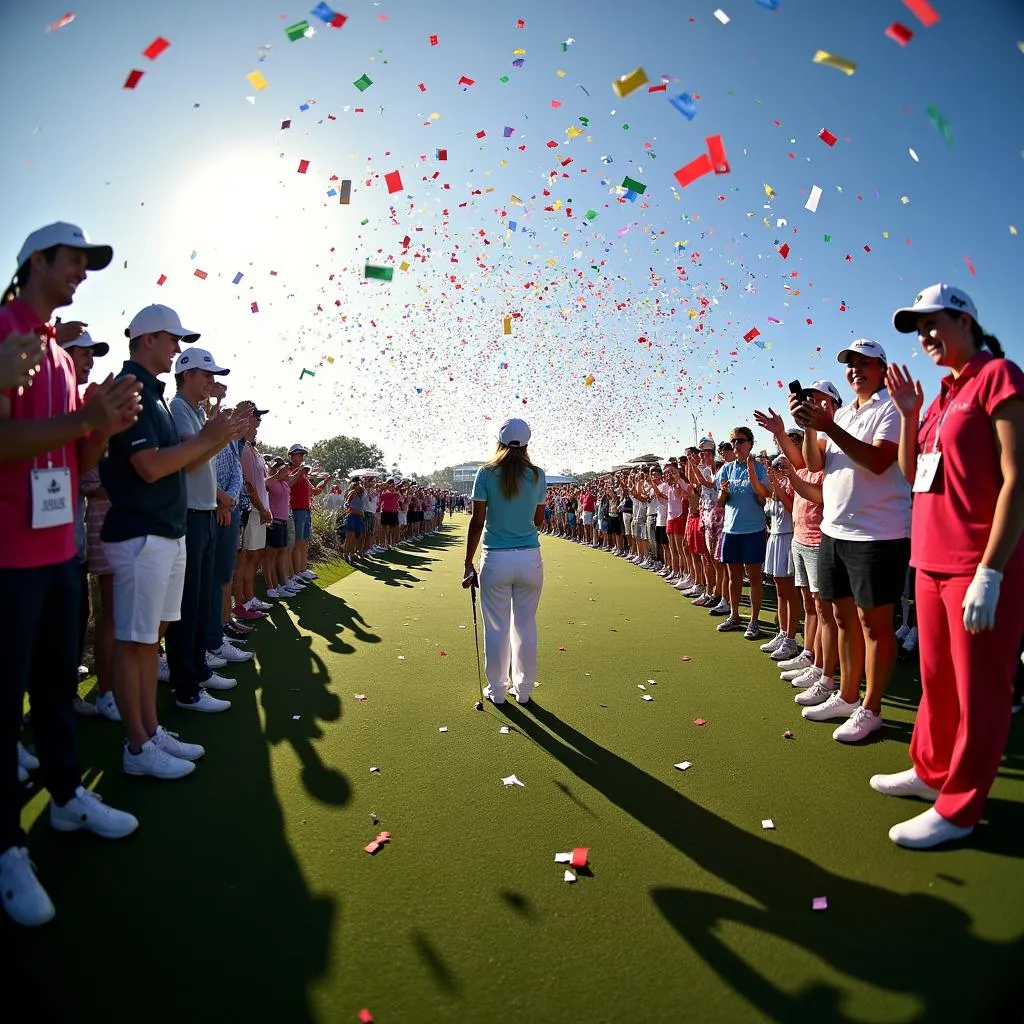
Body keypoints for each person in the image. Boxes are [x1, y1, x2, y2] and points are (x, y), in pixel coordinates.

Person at [1, 221, 143, 927]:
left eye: (88, 263)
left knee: (56, 689)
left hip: (58, 551)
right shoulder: (6, 330)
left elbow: (76, 468)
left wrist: (101, 431)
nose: (81, 272)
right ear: (37, 262)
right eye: (72, 261)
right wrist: (84, 418)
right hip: (8, 555)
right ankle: (5, 847)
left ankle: (64, 800)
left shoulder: (58, 354)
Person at [871, 285, 1024, 848]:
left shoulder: (998, 376)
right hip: (930, 563)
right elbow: (914, 474)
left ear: (966, 321)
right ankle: (931, 772)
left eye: (935, 324)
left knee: (980, 689)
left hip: (977, 564)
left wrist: (992, 570)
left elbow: (1019, 478)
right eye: (918, 329)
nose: (926, 337)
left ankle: (960, 807)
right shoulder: (937, 396)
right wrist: (911, 415)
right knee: (936, 681)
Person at [101, 306, 247, 785]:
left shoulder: (157, 396)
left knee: (148, 642)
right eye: (171, 341)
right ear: (147, 340)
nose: (176, 350)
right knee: (137, 641)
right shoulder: (135, 389)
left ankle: (149, 730)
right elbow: (147, 466)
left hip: (163, 531)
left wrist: (212, 436)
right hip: (142, 531)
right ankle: (138, 742)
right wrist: (208, 437)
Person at [791, 340, 911, 743]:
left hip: (878, 534)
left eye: (865, 363)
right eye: (851, 364)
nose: (856, 370)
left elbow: (879, 461)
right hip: (835, 530)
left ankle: (871, 708)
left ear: (882, 368)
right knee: (842, 618)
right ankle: (846, 694)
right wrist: (810, 426)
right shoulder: (842, 412)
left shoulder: (891, 408)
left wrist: (829, 427)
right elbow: (813, 463)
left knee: (874, 626)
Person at [164, 345, 243, 712]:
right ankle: (187, 686)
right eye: (206, 375)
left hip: (205, 514)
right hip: (191, 516)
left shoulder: (195, 410)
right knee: (187, 605)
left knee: (196, 602)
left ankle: (198, 670)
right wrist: (220, 437)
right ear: (187, 375)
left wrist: (220, 437)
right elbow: (191, 460)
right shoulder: (179, 407)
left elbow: (200, 454)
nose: (212, 382)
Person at [464, 418, 547, 705]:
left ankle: (497, 690)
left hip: (496, 558)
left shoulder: (485, 473)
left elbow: (477, 521)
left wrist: (467, 563)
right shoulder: (538, 474)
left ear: (499, 441)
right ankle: (523, 691)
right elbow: (538, 520)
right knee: (525, 626)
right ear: (526, 443)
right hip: (529, 558)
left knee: (497, 627)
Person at [61, 330, 121, 720]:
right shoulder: (73, 406)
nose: (89, 361)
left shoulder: (79, 404)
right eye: (82, 353)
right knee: (99, 614)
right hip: (81, 528)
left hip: (75, 536)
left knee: (78, 613)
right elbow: (90, 481)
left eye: (91, 354)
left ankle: (69, 690)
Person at [714, 426, 771, 638]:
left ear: (750, 444)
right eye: (733, 442)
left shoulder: (759, 468)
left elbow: (763, 500)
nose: (736, 445)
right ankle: (735, 615)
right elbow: (721, 503)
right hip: (731, 530)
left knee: (754, 578)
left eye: (740, 441)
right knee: (733, 576)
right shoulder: (726, 469)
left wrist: (754, 479)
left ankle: (754, 621)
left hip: (753, 530)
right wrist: (723, 492)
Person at [288, 443, 325, 581]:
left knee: (304, 542)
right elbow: (289, 484)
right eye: (299, 454)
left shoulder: (303, 475)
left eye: (302, 454)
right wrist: (300, 472)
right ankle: (296, 573)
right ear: (292, 456)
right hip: (296, 510)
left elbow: (314, 491)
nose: (302, 457)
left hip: (305, 511)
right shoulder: (290, 472)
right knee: (297, 543)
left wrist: (325, 481)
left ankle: (302, 570)